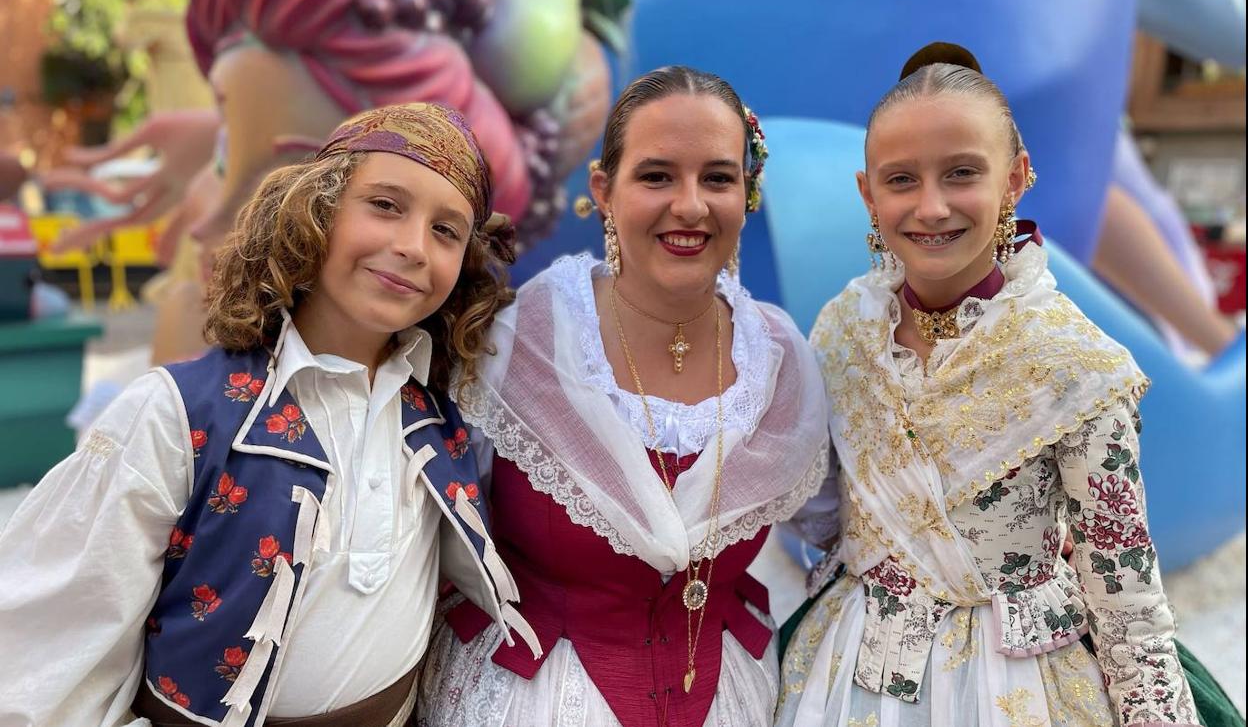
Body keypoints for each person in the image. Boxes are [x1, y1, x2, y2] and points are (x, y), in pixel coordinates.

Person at [0, 103, 537, 727]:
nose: (413, 247)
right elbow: (52, 642)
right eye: (385, 205)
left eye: (446, 230)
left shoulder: (440, 425)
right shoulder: (176, 414)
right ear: (317, 211)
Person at [776, 42, 1215, 727]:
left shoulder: (1075, 363)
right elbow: (822, 512)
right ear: (867, 192)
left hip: (1022, 684)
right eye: (901, 180)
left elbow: (1126, 596)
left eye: (961, 174)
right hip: (849, 671)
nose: (931, 206)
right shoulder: (840, 332)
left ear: (1015, 178)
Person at [416, 66, 830, 726]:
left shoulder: (781, 363)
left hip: (728, 697)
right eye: (657, 175)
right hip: (535, 697)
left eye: (717, 177)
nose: (690, 205)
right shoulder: (520, 340)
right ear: (604, 190)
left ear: (747, 193)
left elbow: (847, 529)